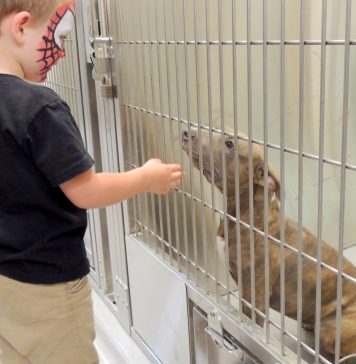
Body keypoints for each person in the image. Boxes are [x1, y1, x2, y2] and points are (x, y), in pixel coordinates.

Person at [0, 1, 182, 363]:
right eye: (61, 36)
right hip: (48, 283)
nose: (64, 52)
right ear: (20, 28)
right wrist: (145, 176)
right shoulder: (39, 107)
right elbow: (85, 190)